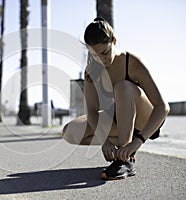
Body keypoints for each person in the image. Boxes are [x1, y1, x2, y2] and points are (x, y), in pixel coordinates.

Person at [62, 17, 170, 180]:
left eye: (105, 52)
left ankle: (124, 158)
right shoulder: (91, 71)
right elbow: (91, 110)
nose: (101, 60)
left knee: (122, 87)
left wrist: (138, 142)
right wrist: (104, 141)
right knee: (70, 132)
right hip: (118, 119)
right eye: (95, 55)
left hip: (145, 119)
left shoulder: (131, 62)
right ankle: (121, 147)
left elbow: (163, 107)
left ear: (114, 41)